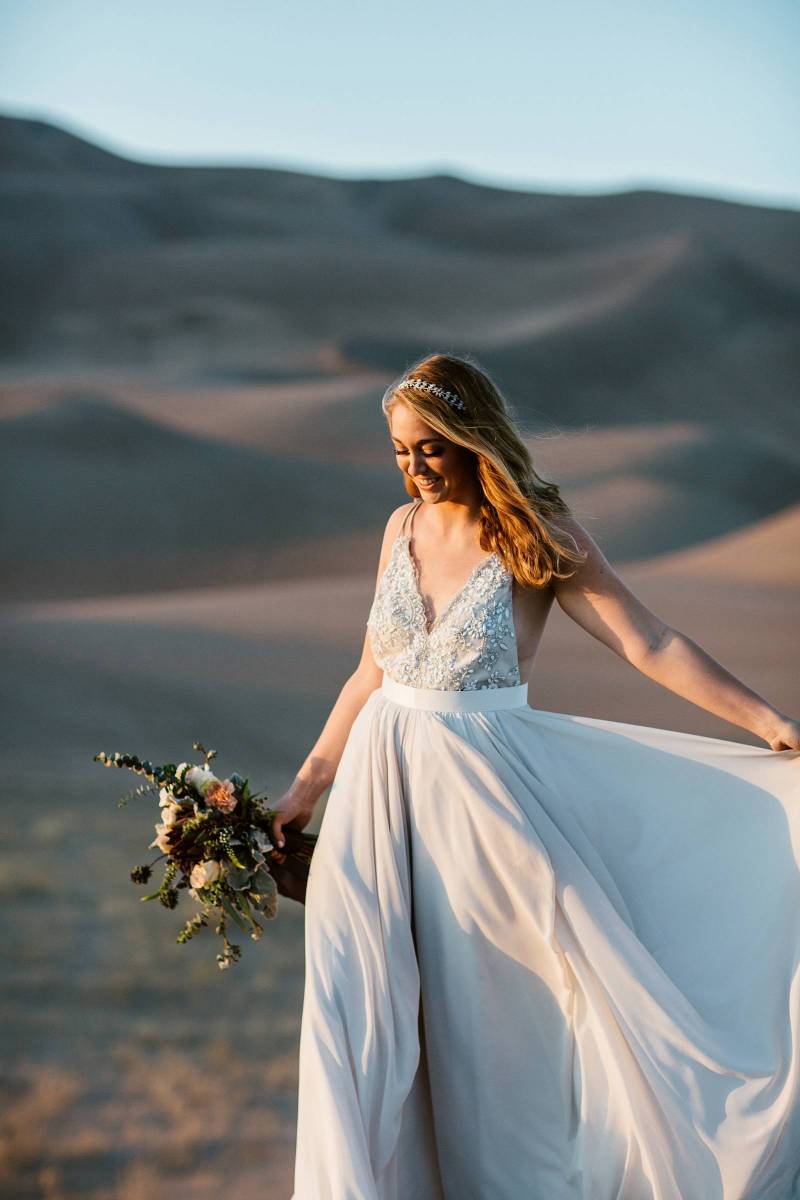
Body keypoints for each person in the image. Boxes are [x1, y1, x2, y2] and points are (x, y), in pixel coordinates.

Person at [274, 352, 800, 1200]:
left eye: (429, 450)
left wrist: (773, 723)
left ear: (471, 438)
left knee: (485, 1031)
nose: (412, 468)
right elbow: (368, 676)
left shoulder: (538, 532)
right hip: (377, 796)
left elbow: (648, 642)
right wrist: (306, 790)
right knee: (352, 1004)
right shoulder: (397, 529)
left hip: (483, 805)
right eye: (400, 451)